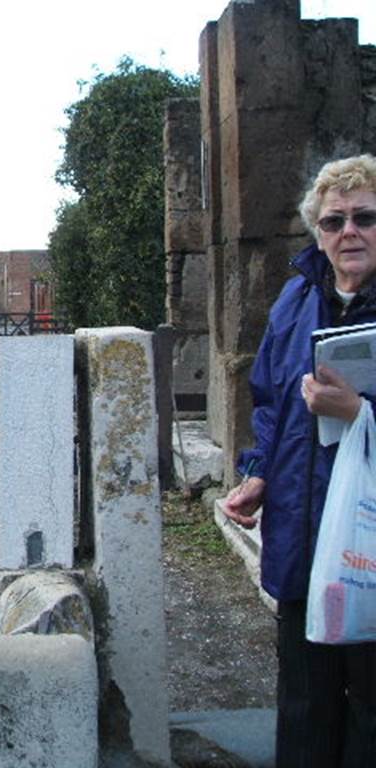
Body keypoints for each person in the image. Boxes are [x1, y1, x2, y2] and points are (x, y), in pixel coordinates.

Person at [224, 153, 376, 766]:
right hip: (302, 529)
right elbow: (271, 400)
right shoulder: (295, 300)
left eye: (365, 217)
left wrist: (359, 416)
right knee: (304, 697)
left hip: (368, 540)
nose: (349, 232)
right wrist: (260, 471)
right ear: (317, 230)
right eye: (334, 220)